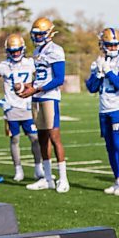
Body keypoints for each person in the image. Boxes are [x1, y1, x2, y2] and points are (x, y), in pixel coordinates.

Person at [19, 17, 69, 193]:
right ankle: (47, 178)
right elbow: (40, 76)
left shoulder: (56, 50)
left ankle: (63, 178)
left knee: (55, 138)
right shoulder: (37, 51)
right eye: (36, 34)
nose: (37, 37)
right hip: (38, 97)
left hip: (50, 98)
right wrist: (31, 86)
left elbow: (58, 78)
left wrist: (36, 88)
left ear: (49, 33)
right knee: (42, 139)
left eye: (41, 34)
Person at [0, 34, 44, 182]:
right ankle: (18, 169)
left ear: (22, 49)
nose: (16, 53)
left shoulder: (30, 63)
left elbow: (40, 79)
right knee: (14, 140)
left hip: (28, 107)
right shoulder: (3, 66)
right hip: (11, 108)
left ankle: (38, 168)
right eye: (13, 51)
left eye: (18, 50)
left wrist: (31, 88)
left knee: (34, 138)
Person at [85, 28, 119, 196]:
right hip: (104, 109)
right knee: (109, 146)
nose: (113, 48)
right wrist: (97, 74)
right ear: (102, 45)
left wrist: (108, 71)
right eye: (109, 45)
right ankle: (117, 179)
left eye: (115, 45)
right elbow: (91, 88)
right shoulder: (97, 62)